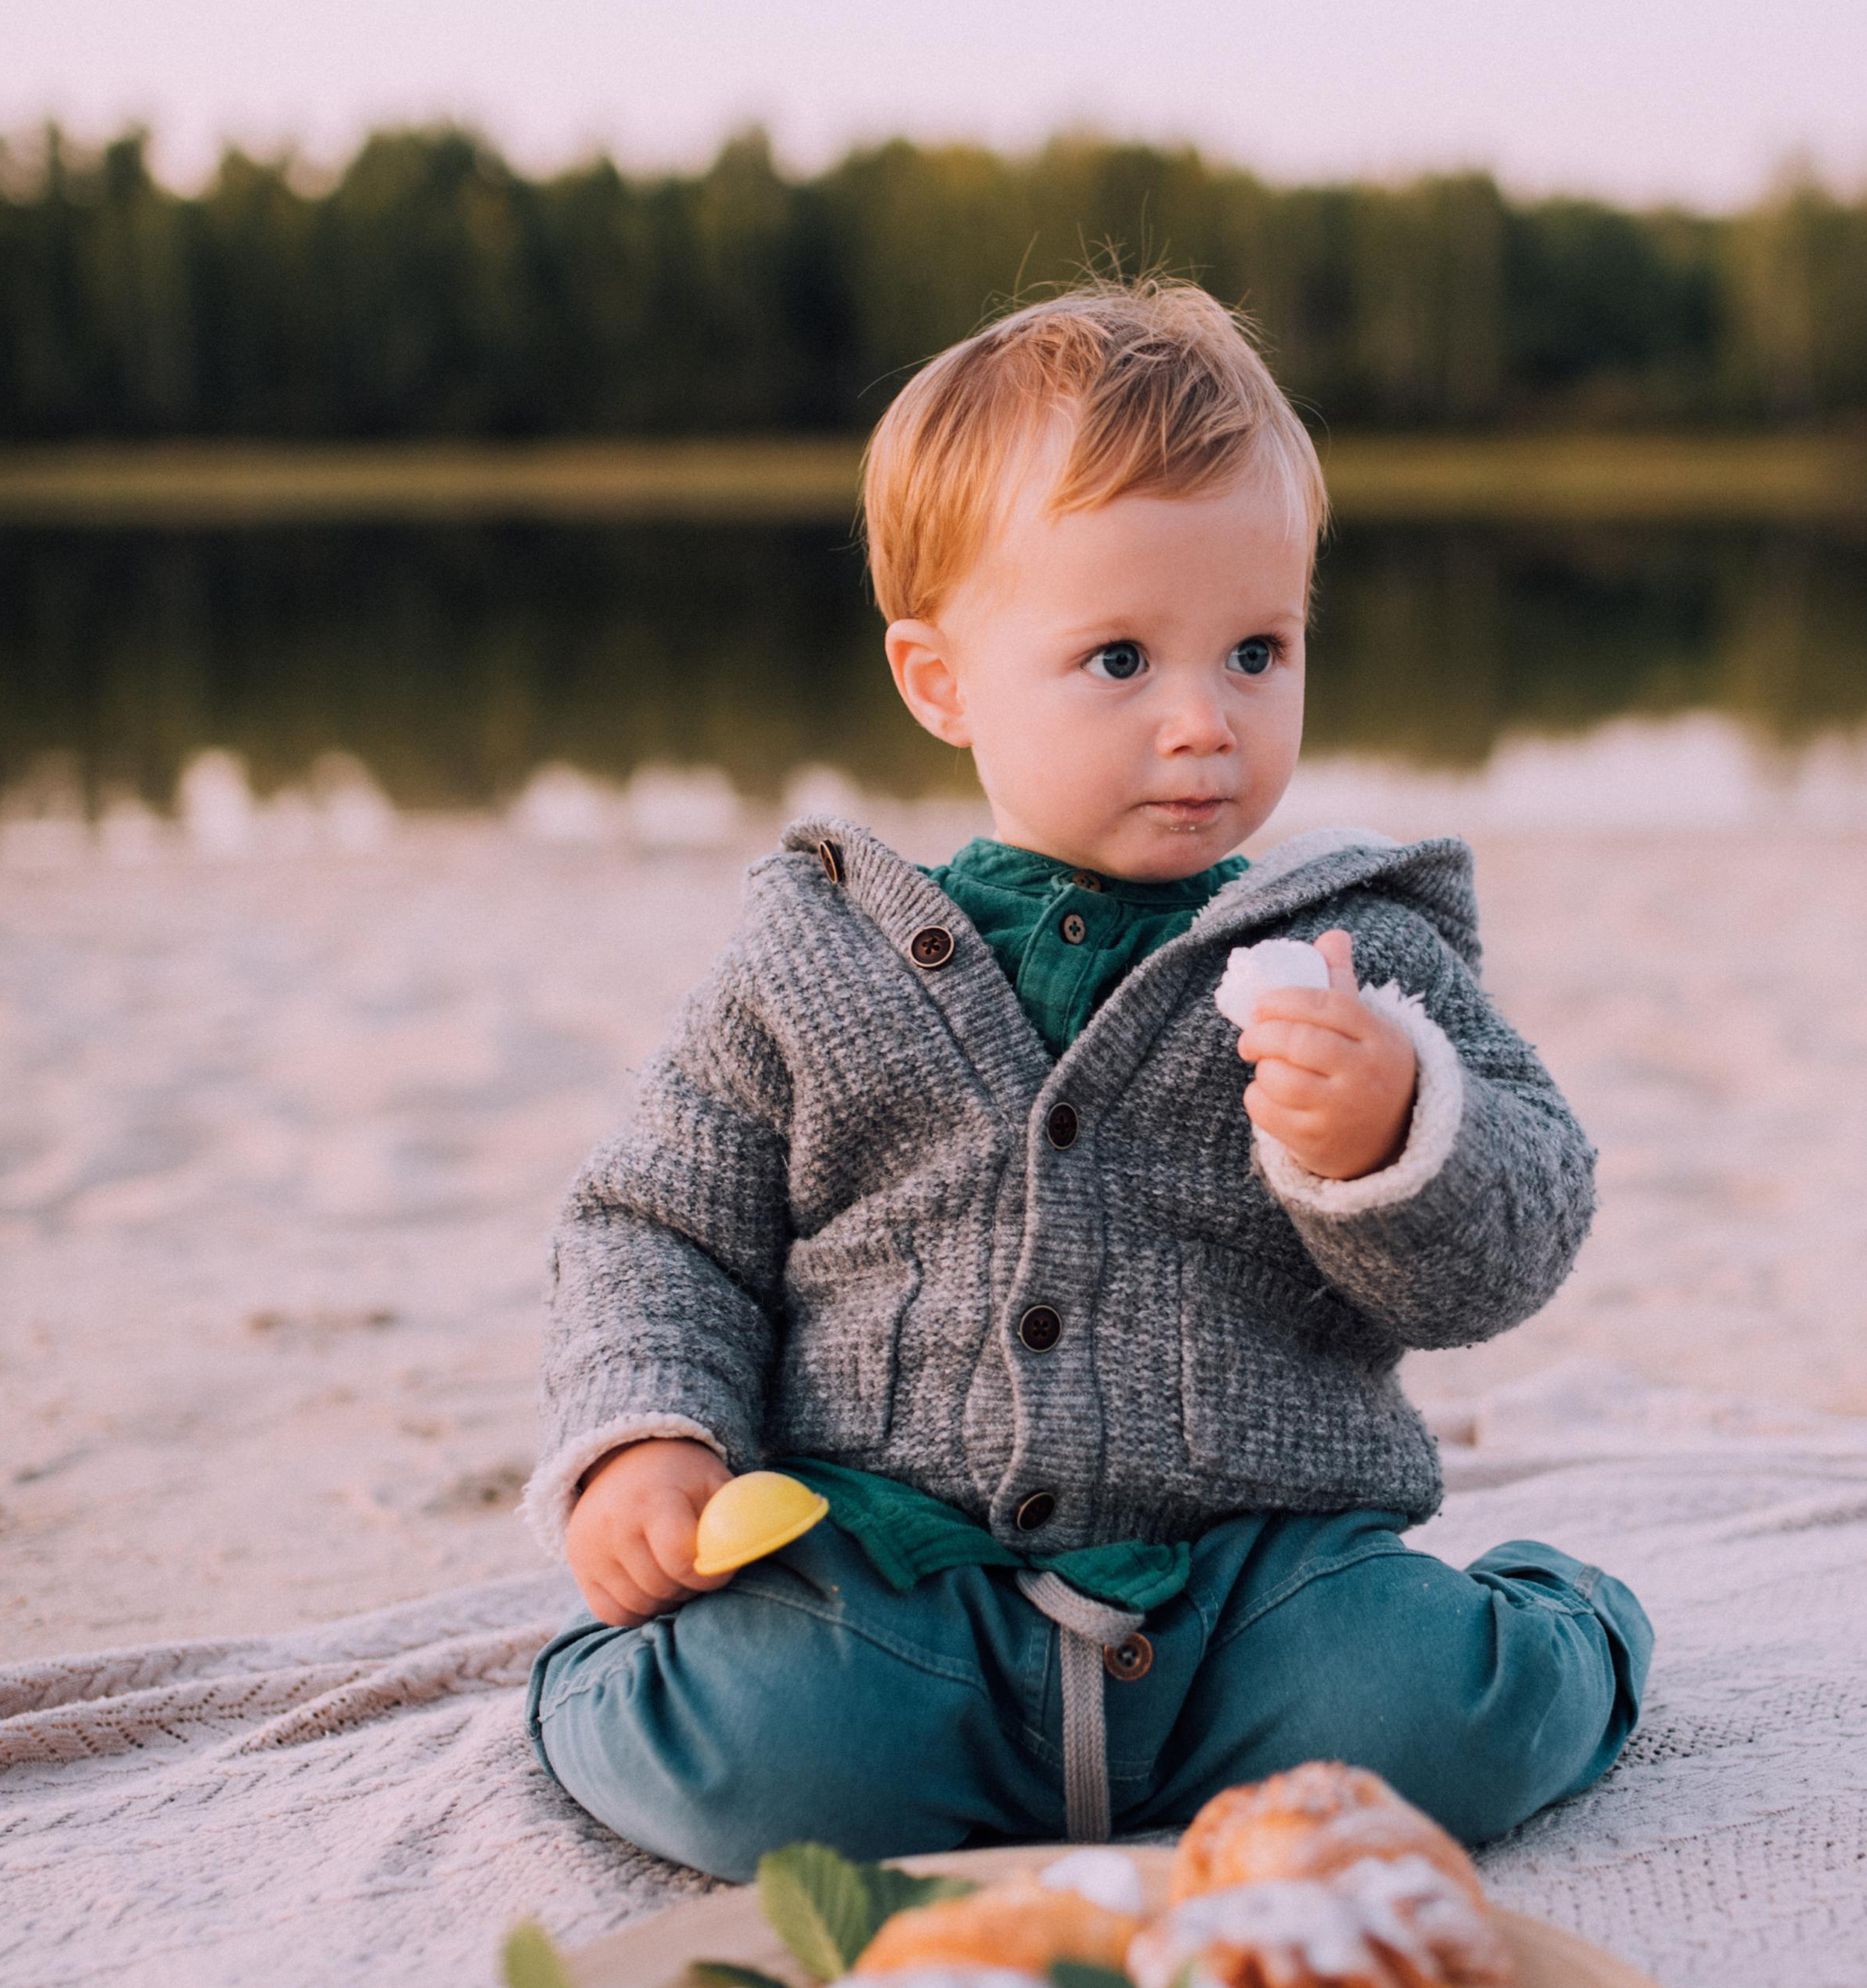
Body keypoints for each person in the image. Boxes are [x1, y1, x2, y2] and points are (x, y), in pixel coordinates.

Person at [524, 279, 1650, 1874]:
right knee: (762, 1767)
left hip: (1252, 1596)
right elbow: (654, 1228)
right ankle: (610, 1686)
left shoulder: (1347, 955)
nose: (1206, 723)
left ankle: (1571, 1624)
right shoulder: (815, 960)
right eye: (1120, 658)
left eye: (1257, 651)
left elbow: (1516, 1238)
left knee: (1432, 1729)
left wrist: (1399, 1127)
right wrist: (650, 1438)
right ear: (941, 681)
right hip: (898, 1587)